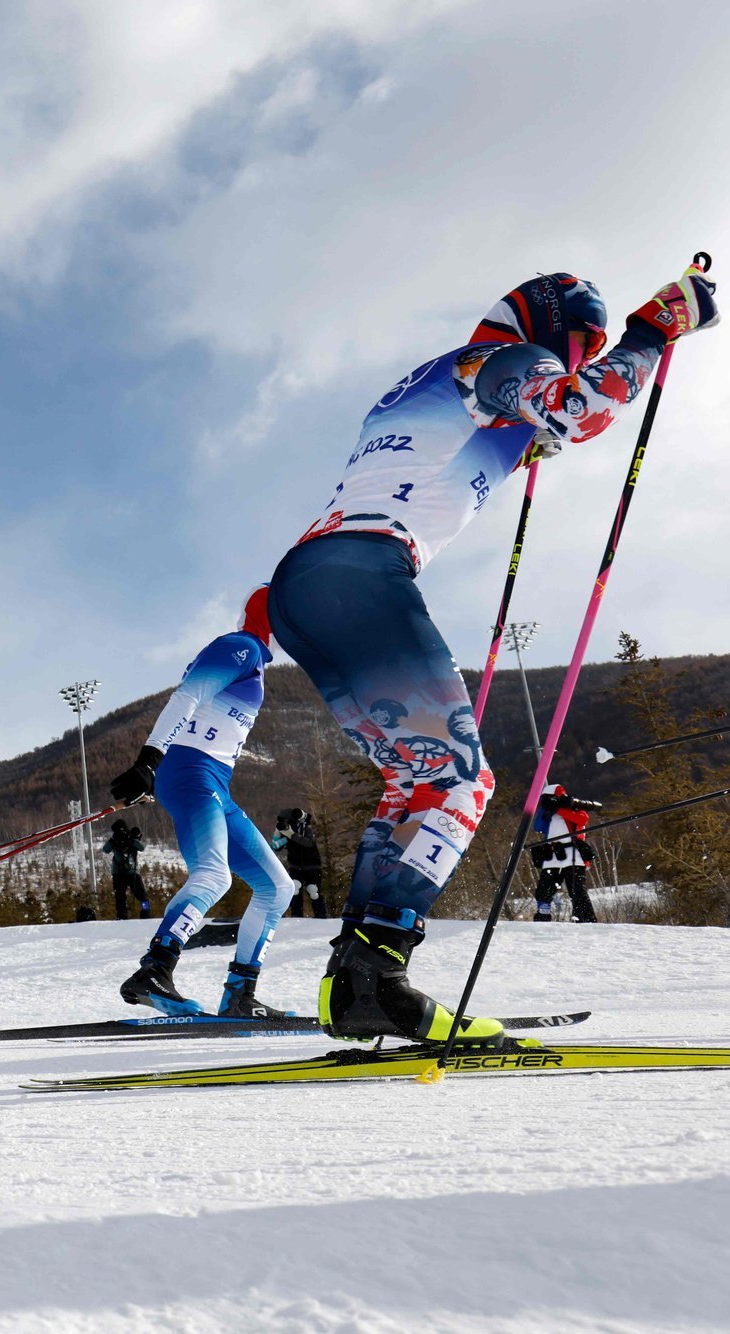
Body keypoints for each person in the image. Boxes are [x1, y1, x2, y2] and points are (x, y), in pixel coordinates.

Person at [267, 264, 715, 1043]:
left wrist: (531, 442)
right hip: (361, 569)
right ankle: (372, 974)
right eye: (578, 342)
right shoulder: (495, 363)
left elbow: (518, 435)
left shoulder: (455, 384)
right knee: (461, 781)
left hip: (317, 580)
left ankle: (360, 979)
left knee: (423, 781)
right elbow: (576, 410)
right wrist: (654, 330)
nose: (578, 359)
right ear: (544, 326)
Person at [109, 588, 297, 1018]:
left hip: (211, 780)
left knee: (276, 887)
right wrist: (150, 759)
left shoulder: (254, 662)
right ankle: (155, 969)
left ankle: (239, 995)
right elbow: (186, 698)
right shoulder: (242, 647)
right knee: (215, 876)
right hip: (192, 773)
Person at [534, 784, 601, 923]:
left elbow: (583, 819)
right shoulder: (548, 813)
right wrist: (545, 810)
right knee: (544, 890)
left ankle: (585, 918)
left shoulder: (572, 806)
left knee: (577, 890)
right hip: (552, 854)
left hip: (573, 854)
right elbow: (538, 827)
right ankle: (542, 917)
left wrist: (560, 809)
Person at [272, 809, 327, 919]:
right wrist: (279, 833)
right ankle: (296, 917)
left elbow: (308, 843)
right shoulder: (289, 831)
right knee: (295, 891)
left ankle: (320, 917)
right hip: (296, 866)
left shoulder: (305, 828)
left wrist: (290, 834)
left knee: (313, 891)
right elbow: (275, 846)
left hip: (312, 866)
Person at [101, 819, 151, 919]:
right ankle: (122, 916)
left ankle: (146, 913)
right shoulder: (114, 839)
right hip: (119, 872)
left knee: (142, 895)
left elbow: (142, 847)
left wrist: (131, 839)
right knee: (120, 897)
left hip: (131, 872)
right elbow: (106, 850)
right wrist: (113, 839)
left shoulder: (130, 838)